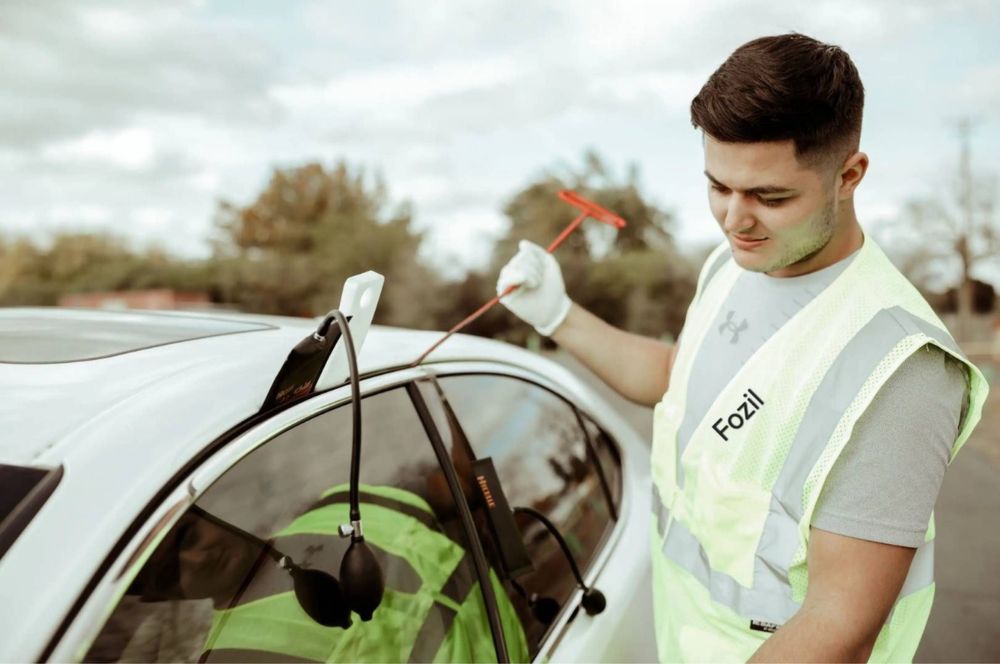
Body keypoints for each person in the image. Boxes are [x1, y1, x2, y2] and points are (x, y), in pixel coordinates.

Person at [496, 33, 989, 662]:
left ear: (850, 176)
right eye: (717, 187)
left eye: (770, 196)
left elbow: (838, 627)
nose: (734, 220)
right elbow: (684, 378)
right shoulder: (732, 267)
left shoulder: (902, 366)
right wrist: (559, 316)